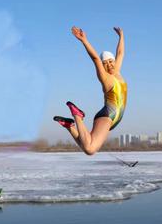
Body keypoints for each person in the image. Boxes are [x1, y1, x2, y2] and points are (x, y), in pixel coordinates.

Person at [53, 26, 127, 155]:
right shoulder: (106, 78)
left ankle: (69, 126)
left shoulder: (117, 72)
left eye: (111, 61)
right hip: (107, 116)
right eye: (106, 63)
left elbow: (120, 53)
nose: (109, 64)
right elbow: (96, 59)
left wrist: (121, 36)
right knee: (90, 150)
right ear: (103, 67)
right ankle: (78, 115)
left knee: (86, 144)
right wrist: (84, 40)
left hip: (114, 119)